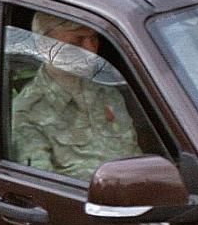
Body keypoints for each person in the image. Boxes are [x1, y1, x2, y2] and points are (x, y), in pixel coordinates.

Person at [9, 12, 140, 181]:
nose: (91, 50)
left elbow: (135, 157)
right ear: (44, 47)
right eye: (77, 42)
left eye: (94, 39)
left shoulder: (108, 91)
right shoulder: (27, 113)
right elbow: (44, 189)